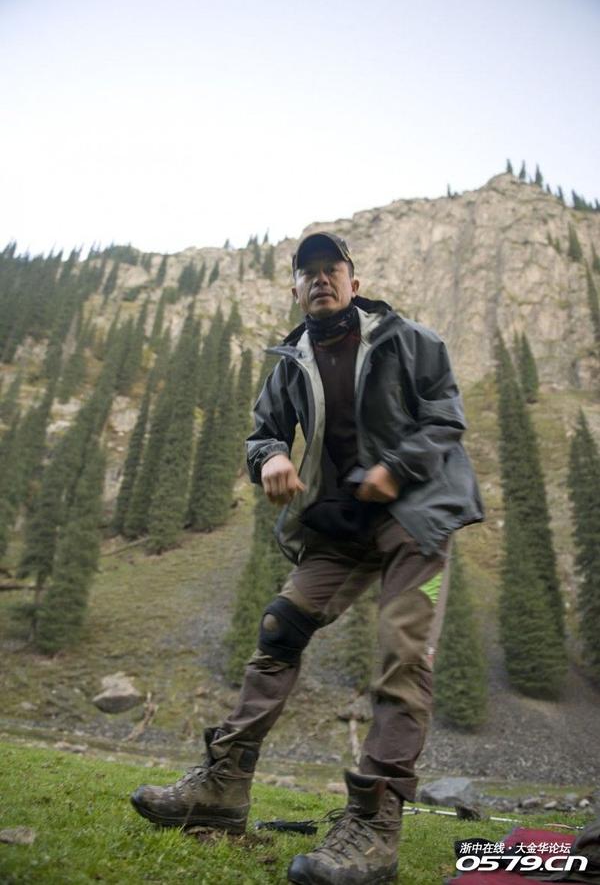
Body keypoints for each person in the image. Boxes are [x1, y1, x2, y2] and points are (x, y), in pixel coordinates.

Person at [131, 232, 485, 884]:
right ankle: (222, 786)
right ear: (294, 289)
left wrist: (396, 467)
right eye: (308, 272)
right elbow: (263, 432)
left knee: (404, 654)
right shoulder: (290, 363)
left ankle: (374, 827)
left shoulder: (411, 341)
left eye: (332, 269)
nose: (321, 279)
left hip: (419, 519)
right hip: (341, 525)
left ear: (354, 281)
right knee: (280, 628)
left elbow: (445, 419)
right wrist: (271, 457)